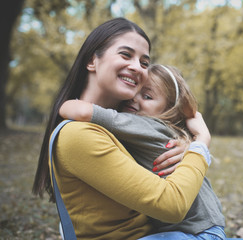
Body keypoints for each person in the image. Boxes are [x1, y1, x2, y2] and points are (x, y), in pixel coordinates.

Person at [32, 17, 212, 240]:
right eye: (125, 55)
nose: (137, 67)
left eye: (144, 63)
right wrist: (200, 142)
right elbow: (172, 205)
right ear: (92, 61)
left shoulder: (123, 128)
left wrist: (183, 144)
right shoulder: (78, 134)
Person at [59, 64, 227, 239]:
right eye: (134, 91)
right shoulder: (164, 132)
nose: (134, 99)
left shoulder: (143, 125)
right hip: (205, 227)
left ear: (169, 110)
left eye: (147, 96)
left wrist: (67, 103)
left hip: (195, 233)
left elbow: (83, 112)